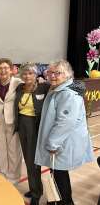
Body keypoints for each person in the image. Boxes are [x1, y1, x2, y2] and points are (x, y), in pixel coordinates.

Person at [35, 59, 94, 205]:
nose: (53, 76)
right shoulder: (58, 88)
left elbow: (65, 122)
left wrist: (53, 144)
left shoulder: (68, 94)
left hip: (62, 142)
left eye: (58, 73)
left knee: (59, 173)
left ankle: (65, 202)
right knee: (57, 172)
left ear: (67, 75)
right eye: (50, 72)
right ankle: (56, 200)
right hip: (60, 141)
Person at [14, 62, 50, 205]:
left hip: (35, 126)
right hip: (22, 125)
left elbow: (75, 87)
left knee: (34, 160)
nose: (27, 76)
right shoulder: (19, 88)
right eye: (24, 73)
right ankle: (34, 188)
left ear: (36, 75)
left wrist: (47, 80)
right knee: (28, 159)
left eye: (30, 73)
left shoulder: (43, 87)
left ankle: (36, 193)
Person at [0, 58, 22, 183]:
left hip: (13, 120)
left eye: (6, 68)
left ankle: (13, 176)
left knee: (14, 149)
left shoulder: (18, 82)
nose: (3, 70)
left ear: (11, 69)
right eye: (0, 68)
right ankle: (2, 171)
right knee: (1, 147)